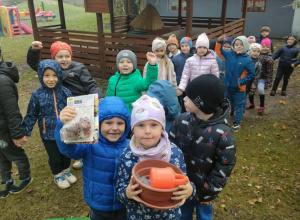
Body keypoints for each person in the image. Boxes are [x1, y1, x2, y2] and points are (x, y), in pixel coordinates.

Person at [27, 41, 104, 170]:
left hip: (81, 103)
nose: (64, 59)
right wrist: (34, 51)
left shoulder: (79, 68)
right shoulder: (51, 69)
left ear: (71, 56)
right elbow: (34, 63)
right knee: (71, 130)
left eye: (67, 56)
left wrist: (99, 96)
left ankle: (83, 156)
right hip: (63, 105)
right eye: (60, 56)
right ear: (53, 58)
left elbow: (90, 83)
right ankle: (75, 153)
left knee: (85, 129)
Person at [169, 74, 236, 220]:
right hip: (181, 186)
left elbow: (224, 166)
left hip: (205, 190)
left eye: (189, 96)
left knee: (204, 216)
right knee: (181, 214)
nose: (184, 98)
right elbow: (169, 149)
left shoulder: (222, 134)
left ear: (201, 103)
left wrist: (208, 189)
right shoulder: (181, 121)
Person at [116, 95, 195, 220]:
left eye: (153, 125)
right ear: (133, 129)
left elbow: (183, 180)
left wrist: (190, 190)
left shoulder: (173, 153)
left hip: (169, 216)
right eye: (141, 125)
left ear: (162, 128)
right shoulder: (128, 155)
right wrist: (127, 193)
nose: (147, 131)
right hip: (138, 215)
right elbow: (120, 189)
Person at [55, 96, 131, 220]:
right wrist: (61, 125)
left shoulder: (131, 146)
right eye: (108, 122)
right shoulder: (90, 144)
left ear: (127, 125)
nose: (115, 128)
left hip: (124, 202)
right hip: (98, 204)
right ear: (98, 123)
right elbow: (69, 150)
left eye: (120, 123)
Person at [22, 59, 76, 189]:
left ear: (59, 75)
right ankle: (58, 174)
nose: (51, 79)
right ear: (41, 76)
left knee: (65, 153)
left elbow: (74, 111)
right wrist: (24, 132)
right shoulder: (37, 95)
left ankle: (66, 171)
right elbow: (31, 114)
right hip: (48, 134)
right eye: (47, 76)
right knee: (55, 156)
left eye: (54, 75)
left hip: (65, 131)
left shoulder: (66, 92)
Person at [0, 46, 32, 198]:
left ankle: (25, 177)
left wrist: (17, 134)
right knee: (1, 157)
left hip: (5, 129)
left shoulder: (2, 81)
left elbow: (12, 111)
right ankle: (6, 180)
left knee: (16, 154)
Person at [216, 34, 255, 132]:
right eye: (236, 44)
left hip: (239, 89)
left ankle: (236, 123)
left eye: (241, 44)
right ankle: (225, 119)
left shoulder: (247, 60)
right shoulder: (229, 55)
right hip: (227, 86)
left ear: (245, 46)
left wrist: (241, 82)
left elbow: (251, 74)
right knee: (226, 103)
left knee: (239, 105)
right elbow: (218, 51)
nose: (238, 46)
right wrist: (219, 42)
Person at [176, 33, 219, 97]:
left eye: (204, 47)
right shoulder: (190, 60)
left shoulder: (212, 61)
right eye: (200, 47)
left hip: (206, 90)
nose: (202, 49)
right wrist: (181, 88)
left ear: (207, 48)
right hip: (193, 89)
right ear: (196, 48)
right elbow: (185, 76)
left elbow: (215, 77)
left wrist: (213, 90)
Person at [172, 37, 194, 113]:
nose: (184, 48)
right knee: (183, 101)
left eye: (186, 46)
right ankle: (183, 114)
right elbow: (173, 71)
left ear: (190, 46)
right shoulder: (176, 58)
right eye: (182, 46)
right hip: (180, 84)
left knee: (191, 100)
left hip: (191, 83)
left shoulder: (194, 57)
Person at [257, 38, 274, 115]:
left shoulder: (269, 59)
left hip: (262, 78)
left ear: (269, 48)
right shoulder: (257, 54)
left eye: (267, 47)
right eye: (263, 46)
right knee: (251, 91)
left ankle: (262, 106)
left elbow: (270, 72)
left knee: (260, 90)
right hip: (254, 77)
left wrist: (268, 82)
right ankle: (251, 103)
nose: (265, 48)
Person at [245, 43, 262, 111]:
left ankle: (250, 103)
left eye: (258, 51)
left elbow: (257, 75)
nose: (256, 53)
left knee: (249, 93)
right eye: (254, 51)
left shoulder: (258, 64)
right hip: (243, 80)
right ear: (250, 51)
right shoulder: (245, 60)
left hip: (251, 82)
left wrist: (253, 85)